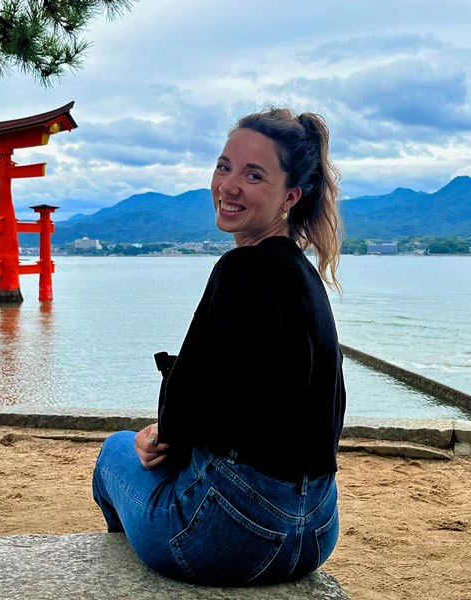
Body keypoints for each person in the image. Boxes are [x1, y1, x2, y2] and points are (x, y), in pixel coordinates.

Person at [92, 108, 346, 587]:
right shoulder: (308, 280)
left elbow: (180, 415)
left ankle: (130, 586)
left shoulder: (240, 270)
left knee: (115, 453)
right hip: (315, 531)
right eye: (224, 166)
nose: (228, 185)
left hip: (232, 534)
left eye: (253, 175)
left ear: (290, 196)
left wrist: (156, 436)